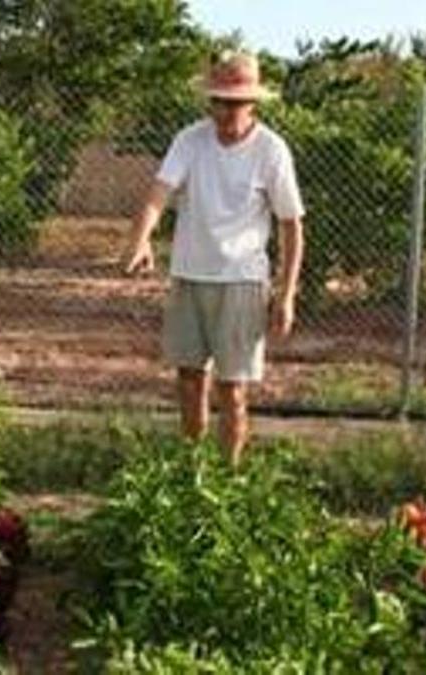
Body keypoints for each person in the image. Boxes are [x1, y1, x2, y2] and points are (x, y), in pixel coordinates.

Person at [122, 50, 305, 466]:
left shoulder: (271, 151)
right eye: (217, 100)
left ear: (252, 103)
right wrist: (141, 239)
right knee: (188, 380)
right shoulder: (190, 140)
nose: (224, 110)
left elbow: (291, 225)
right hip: (189, 275)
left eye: (234, 102)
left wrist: (286, 293)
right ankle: (193, 472)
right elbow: (158, 194)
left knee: (233, 389)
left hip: (241, 281)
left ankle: (228, 479)